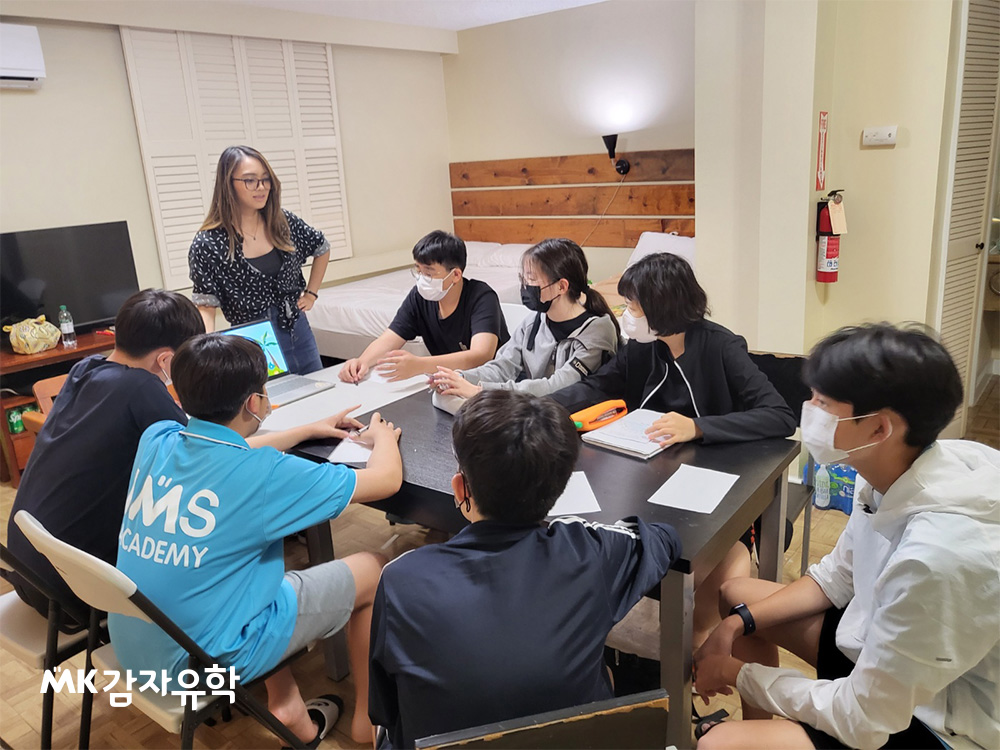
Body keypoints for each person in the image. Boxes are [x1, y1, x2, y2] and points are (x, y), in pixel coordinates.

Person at [693, 324, 1000, 750]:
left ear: (878, 429)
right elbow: (836, 577)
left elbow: (863, 717)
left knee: (719, 743)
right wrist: (737, 622)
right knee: (737, 596)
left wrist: (735, 673)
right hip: (883, 648)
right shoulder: (885, 473)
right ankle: (762, 727)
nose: (808, 410)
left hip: (936, 718)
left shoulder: (936, 558)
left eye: (822, 403)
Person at [109, 334, 405, 745]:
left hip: (139, 646)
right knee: (374, 569)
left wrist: (306, 430)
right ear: (254, 403)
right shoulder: (264, 475)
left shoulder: (156, 438)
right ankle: (368, 721)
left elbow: (228, 446)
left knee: (248, 571)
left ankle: (287, 703)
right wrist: (384, 437)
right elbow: (387, 481)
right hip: (201, 663)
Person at [368, 390, 682, 748]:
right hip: (569, 741)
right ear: (559, 490)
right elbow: (665, 539)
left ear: (460, 488)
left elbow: (385, 709)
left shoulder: (400, 579)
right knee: (602, 675)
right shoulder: (592, 554)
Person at [549, 252, 797, 645]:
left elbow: (780, 417)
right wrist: (537, 407)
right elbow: (598, 386)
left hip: (710, 479)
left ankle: (693, 645)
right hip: (647, 471)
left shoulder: (721, 347)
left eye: (632, 306)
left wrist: (698, 427)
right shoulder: (643, 347)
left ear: (662, 307)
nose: (626, 314)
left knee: (705, 570)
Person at [5, 289, 204, 629]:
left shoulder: (86, 368)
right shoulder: (142, 388)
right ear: (166, 361)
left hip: (30, 570)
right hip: (77, 594)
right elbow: (208, 452)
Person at [189, 145, 329, 374]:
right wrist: (208, 353)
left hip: (297, 330)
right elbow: (206, 305)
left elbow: (322, 247)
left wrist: (311, 294)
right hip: (254, 339)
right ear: (228, 184)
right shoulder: (209, 243)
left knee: (319, 389)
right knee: (275, 395)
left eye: (265, 179)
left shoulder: (282, 222)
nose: (261, 187)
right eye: (250, 180)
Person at [428, 238, 619, 398]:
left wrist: (480, 391)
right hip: (535, 411)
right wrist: (459, 378)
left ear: (561, 286)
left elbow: (557, 386)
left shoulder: (597, 332)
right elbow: (502, 366)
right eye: (523, 279)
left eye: (532, 279)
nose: (525, 286)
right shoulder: (534, 321)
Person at [339, 231, 509, 383]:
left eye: (428, 273)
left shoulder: (481, 296)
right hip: (451, 381)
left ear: (456, 275)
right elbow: (389, 339)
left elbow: (481, 356)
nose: (422, 279)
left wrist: (419, 365)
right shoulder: (419, 297)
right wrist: (362, 362)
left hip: (492, 383)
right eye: (418, 271)